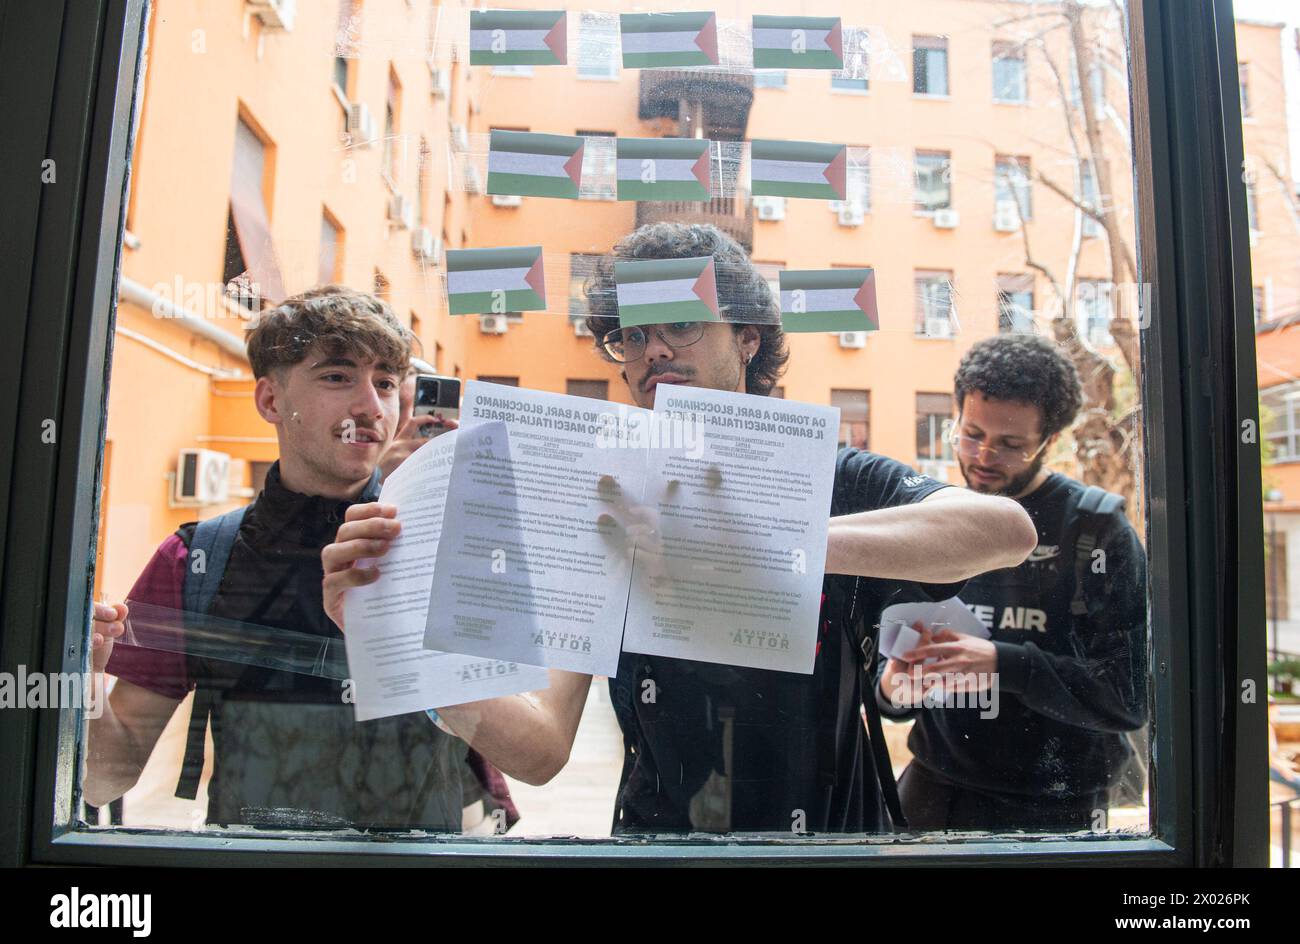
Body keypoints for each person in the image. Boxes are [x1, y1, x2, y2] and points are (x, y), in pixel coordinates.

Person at [323, 223, 1038, 834]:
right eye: (632, 335)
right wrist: (389, 631)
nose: (653, 352)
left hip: (825, 855)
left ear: (749, 337)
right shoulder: (606, 491)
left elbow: (1001, 528)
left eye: (681, 325)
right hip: (656, 855)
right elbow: (540, 750)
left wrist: (771, 544)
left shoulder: (822, 474)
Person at [85, 286, 532, 829]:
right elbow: (104, 778)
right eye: (338, 376)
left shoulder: (447, 547)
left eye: (387, 383)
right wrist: (84, 681)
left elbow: (529, 746)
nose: (371, 406)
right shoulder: (193, 562)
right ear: (271, 401)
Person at [879, 334, 1148, 831]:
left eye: (1010, 446)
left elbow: (1128, 696)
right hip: (934, 790)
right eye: (971, 433)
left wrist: (1004, 663)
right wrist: (894, 686)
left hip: (1054, 803)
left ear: (1049, 442)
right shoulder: (933, 520)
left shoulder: (1095, 531)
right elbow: (889, 689)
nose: (983, 456)